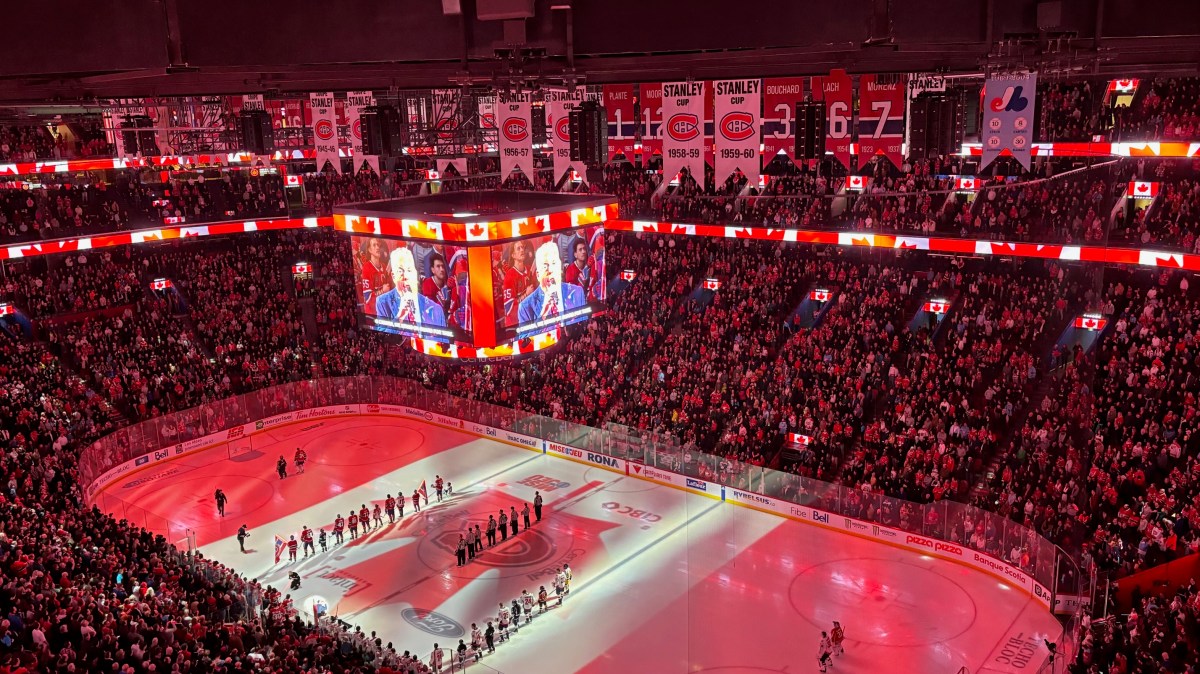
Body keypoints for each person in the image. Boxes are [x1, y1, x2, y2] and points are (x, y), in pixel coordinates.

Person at [375, 247, 448, 331]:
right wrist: (400, 317)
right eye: (400, 271)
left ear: (415, 273)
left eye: (409, 270)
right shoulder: (383, 302)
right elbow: (382, 338)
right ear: (393, 276)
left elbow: (443, 342)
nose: (406, 276)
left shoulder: (436, 309)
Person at [517, 241, 587, 325]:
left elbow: (584, 327)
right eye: (545, 266)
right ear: (538, 275)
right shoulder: (525, 307)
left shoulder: (577, 293)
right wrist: (543, 315)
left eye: (554, 263)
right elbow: (526, 338)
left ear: (560, 267)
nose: (550, 270)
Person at [502, 239, 538, 326]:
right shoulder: (509, 276)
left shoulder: (530, 270)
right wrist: (526, 294)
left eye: (522, 247)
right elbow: (509, 308)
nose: (522, 250)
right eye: (518, 248)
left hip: (529, 320)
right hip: (515, 325)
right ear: (513, 255)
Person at [420, 254, 460, 325]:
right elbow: (431, 311)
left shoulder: (448, 281)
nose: (441, 269)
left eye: (443, 266)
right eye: (438, 266)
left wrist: (454, 289)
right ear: (433, 270)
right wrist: (446, 290)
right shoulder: (427, 283)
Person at [358, 237, 393, 314]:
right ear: (369, 250)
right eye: (374, 245)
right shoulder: (366, 268)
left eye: (378, 245)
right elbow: (368, 298)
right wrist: (382, 291)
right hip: (372, 314)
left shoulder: (384, 267)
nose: (377, 247)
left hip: (384, 312)